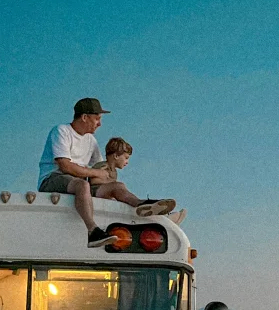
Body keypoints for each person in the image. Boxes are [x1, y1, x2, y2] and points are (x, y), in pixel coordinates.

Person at [36, 99, 176, 247]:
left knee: (117, 185)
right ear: (84, 117)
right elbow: (65, 166)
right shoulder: (61, 131)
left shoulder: (91, 141)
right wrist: (96, 173)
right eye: (97, 118)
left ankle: (142, 205)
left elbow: (102, 169)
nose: (100, 124)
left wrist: (111, 186)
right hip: (53, 179)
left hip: (80, 182)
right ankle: (92, 232)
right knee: (82, 185)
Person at [93, 137, 186, 225]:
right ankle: (143, 204)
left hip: (104, 194)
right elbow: (93, 181)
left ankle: (160, 216)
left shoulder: (114, 171)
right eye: (126, 158)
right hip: (95, 192)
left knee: (124, 196)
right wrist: (110, 184)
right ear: (116, 156)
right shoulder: (104, 166)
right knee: (120, 187)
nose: (127, 162)